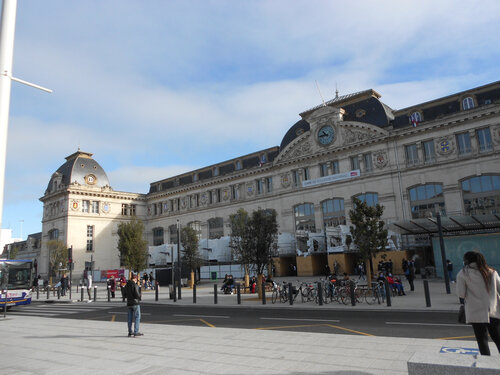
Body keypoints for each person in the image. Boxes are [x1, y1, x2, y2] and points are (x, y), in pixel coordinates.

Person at [457, 251, 500, 356]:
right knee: (498, 338)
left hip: (476, 312)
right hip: (493, 310)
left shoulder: (463, 273)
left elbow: (461, 294)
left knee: (482, 340)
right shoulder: (492, 272)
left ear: (466, 260)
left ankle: (486, 364)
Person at [124, 272, 143, 337]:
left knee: (129, 318)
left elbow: (124, 294)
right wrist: (140, 297)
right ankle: (136, 331)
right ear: (135, 279)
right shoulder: (135, 285)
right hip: (135, 303)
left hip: (129, 303)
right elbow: (137, 295)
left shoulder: (127, 285)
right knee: (137, 317)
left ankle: (130, 332)